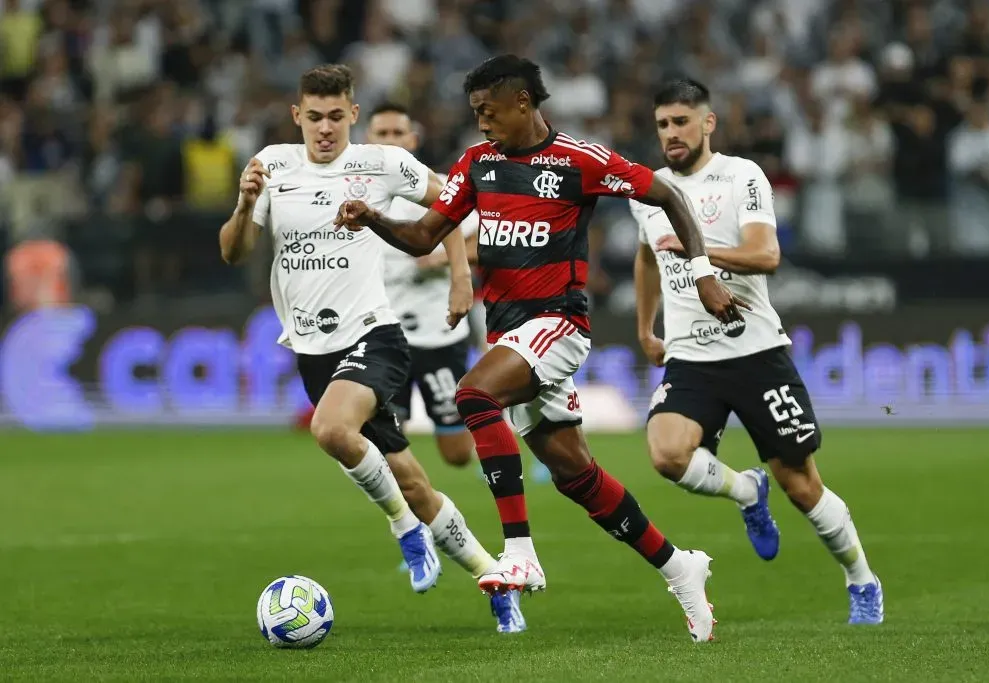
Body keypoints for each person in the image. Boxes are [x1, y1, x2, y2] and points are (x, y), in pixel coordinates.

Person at [337, 55, 748, 643]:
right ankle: (680, 566)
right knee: (575, 473)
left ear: (524, 103)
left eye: (489, 111)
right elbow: (425, 235)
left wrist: (704, 272)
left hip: (558, 324)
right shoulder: (478, 165)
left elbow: (668, 197)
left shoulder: (580, 161)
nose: (481, 124)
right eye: (475, 112)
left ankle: (520, 552)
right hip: (511, 336)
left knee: (473, 395)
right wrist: (372, 217)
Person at [218, 64, 525, 633]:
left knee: (332, 430)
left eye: (337, 116)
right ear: (297, 117)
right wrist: (242, 206)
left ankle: (405, 530)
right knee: (413, 480)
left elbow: (456, 202)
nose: (326, 128)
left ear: (353, 115)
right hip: (313, 351)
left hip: (375, 335)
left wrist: (461, 275)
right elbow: (234, 252)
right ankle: (495, 581)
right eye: (315, 117)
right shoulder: (273, 165)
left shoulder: (381, 164)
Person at [630, 79, 883, 625]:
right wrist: (646, 328)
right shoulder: (648, 191)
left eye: (680, 121)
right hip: (691, 358)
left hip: (755, 350)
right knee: (667, 454)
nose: (670, 134)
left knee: (801, 483)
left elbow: (766, 255)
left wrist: (699, 253)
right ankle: (747, 489)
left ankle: (861, 578)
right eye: (662, 125)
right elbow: (647, 258)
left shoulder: (741, 175)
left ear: (708, 122)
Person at [365, 102, 479, 468]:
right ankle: (412, 509)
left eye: (398, 133)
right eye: (382, 133)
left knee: (457, 454)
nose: (391, 140)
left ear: (413, 139)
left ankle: (496, 439)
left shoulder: (441, 188)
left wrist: (445, 256)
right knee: (386, 443)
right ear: (368, 140)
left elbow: (488, 237)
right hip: (384, 334)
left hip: (438, 334)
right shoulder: (356, 193)